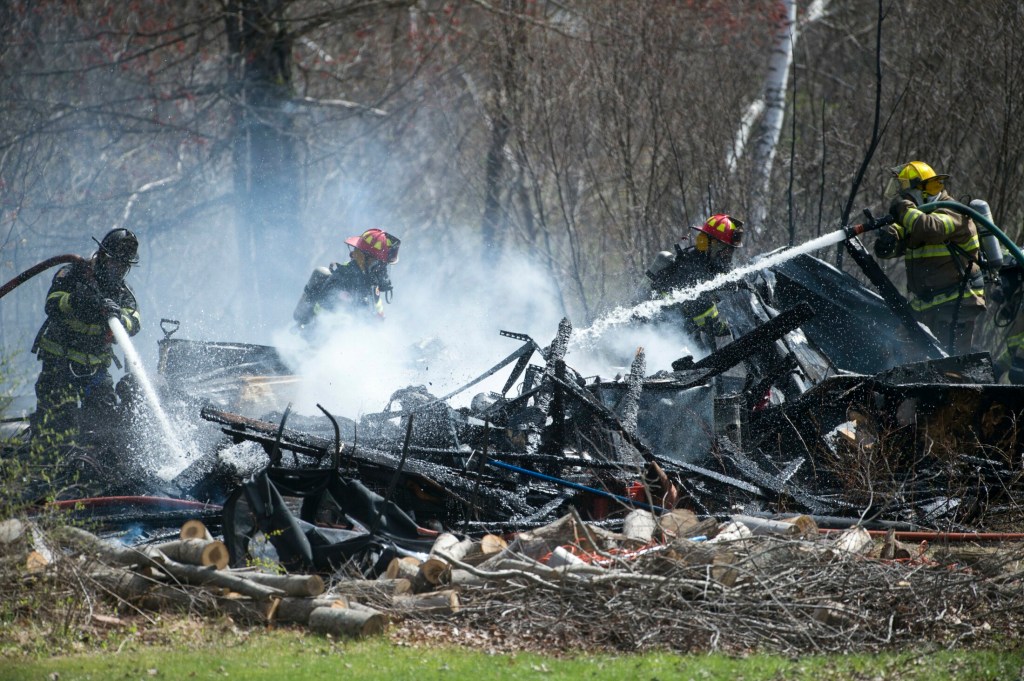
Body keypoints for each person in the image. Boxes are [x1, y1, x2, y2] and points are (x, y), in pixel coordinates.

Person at [30, 228, 142, 444]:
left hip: (96, 370)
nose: (117, 269)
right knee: (58, 427)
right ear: (101, 256)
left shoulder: (123, 293)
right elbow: (52, 304)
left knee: (104, 426)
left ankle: (90, 471)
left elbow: (135, 321)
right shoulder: (73, 275)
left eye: (122, 265)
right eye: (113, 262)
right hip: (59, 366)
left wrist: (119, 317)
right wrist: (76, 301)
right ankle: (48, 470)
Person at [873, 161, 986, 355]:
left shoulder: (954, 213)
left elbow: (930, 229)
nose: (904, 198)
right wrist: (888, 242)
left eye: (907, 194)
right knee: (896, 355)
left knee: (949, 369)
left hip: (954, 308)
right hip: (924, 308)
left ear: (923, 190)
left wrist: (904, 210)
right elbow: (900, 241)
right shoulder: (919, 218)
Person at [645, 214, 744, 352]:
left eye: (730, 252)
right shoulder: (691, 269)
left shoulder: (710, 265)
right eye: (724, 250)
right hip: (661, 334)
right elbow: (710, 320)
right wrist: (737, 325)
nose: (727, 257)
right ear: (709, 244)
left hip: (681, 333)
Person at [293, 228, 401, 335]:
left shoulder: (371, 283)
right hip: (320, 339)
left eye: (385, 266)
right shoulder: (342, 279)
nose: (383, 271)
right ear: (365, 258)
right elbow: (325, 317)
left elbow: (377, 313)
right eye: (381, 265)